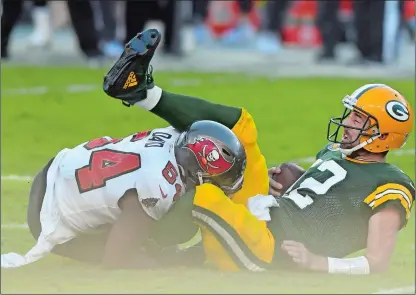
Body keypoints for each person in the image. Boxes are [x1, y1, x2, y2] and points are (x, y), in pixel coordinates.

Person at [1, 29, 269, 269]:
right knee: (175, 230)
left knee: (158, 221)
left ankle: (143, 93)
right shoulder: (159, 187)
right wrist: (163, 263)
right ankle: (142, 93)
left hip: (58, 168)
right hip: (48, 216)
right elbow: (115, 260)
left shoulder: (174, 136)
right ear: (196, 171)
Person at [182, 83, 414, 274]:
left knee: (204, 191)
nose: (347, 122)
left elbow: (376, 263)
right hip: (265, 214)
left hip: (271, 246)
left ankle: (157, 243)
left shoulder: (390, 184)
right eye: (350, 113)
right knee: (225, 147)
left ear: (382, 135)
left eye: (358, 118)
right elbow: (325, 195)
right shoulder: (334, 151)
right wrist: (286, 184)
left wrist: (319, 262)